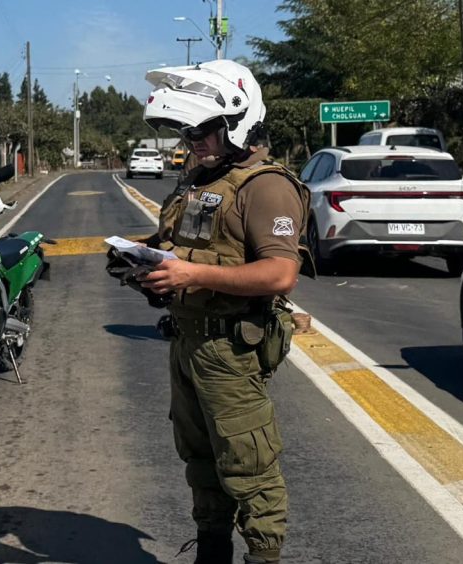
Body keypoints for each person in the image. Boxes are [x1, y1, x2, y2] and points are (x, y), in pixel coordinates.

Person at [138, 60, 312, 564]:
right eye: (188, 132)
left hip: (232, 348)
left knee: (249, 466)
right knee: (201, 461)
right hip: (189, 341)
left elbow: (280, 275)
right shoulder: (202, 181)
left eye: (204, 131)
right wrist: (146, 264)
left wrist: (192, 276)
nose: (193, 142)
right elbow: (179, 249)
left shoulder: (266, 186)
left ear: (237, 123)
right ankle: (212, 553)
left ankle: (263, 555)